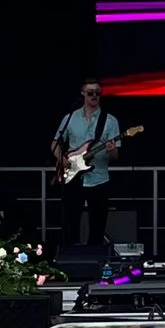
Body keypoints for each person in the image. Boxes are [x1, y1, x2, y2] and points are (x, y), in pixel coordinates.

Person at [51, 79, 124, 249]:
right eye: (90, 92)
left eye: (98, 92)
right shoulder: (70, 117)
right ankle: (71, 257)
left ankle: (95, 259)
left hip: (99, 177)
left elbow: (114, 156)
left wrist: (111, 149)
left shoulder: (110, 121)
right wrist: (62, 159)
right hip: (72, 177)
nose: (94, 95)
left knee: (97, 223)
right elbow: (55, 143)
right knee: (70, 221)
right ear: (83, 93)